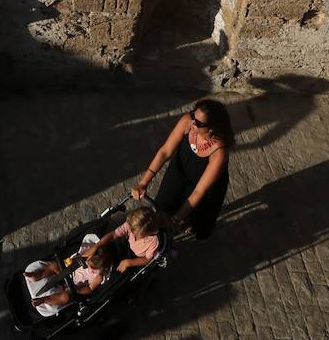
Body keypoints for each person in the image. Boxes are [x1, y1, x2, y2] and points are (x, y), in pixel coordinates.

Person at [132, 100, 233, 241]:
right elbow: (165, 152)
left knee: (195, 217)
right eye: (193, 116)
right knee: (162, 206)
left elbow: (199, 192)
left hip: (203, 184)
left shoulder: (219, 152)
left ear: (212, 128)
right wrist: (143, 183)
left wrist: (176, 219)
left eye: (199, 123)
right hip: (180, 171)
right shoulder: (187, 121)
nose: (193, 123)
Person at [23, 239, 111, 313]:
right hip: (67, 272)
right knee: (54, 266)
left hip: (72, 287)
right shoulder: (87, 259)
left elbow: (89, 288)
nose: (88, 267)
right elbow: (76, 258)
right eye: (89, 263)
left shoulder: (99, 277)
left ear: (104, 269)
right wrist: (70, 261)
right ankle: (37, 275)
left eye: (93, 269)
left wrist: (78, 290)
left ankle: (44, 300)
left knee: (66, 297)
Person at [85, 206, 162, 275]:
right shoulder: (132, 225)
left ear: (146, 234)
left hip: (136, 258)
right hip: (127, 245)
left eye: (134, 231)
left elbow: (147, 259)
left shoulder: (153, 242)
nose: (130, 230)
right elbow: (113, 234)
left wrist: (129, 262)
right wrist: (96, 246)